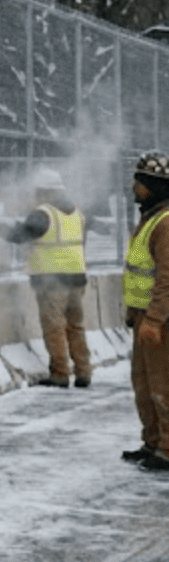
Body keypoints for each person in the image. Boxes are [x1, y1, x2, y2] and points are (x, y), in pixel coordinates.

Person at [0, 166, 91, 388]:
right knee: (76, 326)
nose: (35, 196)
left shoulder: (44, 213)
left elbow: (18, 236)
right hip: (77, 278)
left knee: (54, 327)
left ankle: (60, 373)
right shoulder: (77, 213)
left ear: (46, 191)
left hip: (52, 281)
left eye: (38, 192)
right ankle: (83, 371)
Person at [122, 152, 169, 471]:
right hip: (143, 315)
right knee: (142, 382)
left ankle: (167, 448)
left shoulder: (165, 223)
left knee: (161, 384)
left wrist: (153, 319)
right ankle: (152, 441)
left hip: (159, 319)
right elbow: (140, 271)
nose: (133, 187)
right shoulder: (150, 216)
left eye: (139, 181)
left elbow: (166, 277)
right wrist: (133, 311)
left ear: (153, 186)